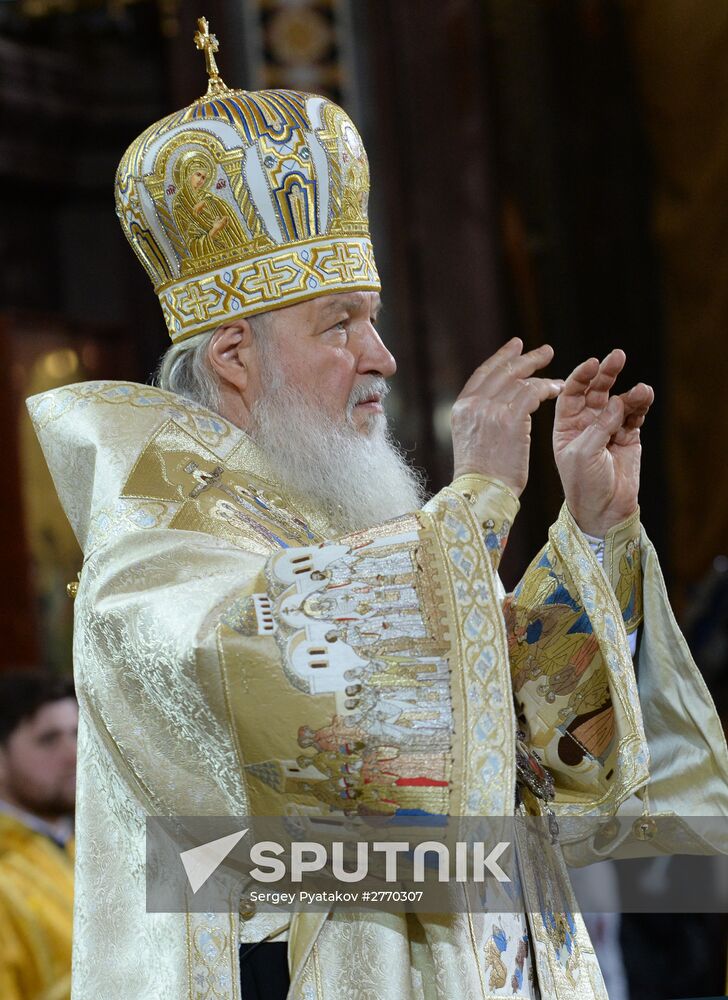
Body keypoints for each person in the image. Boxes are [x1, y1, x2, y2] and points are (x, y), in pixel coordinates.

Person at [27, 18, 728, 1000]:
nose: (382, 356)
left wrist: (590, 528)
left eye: (375, 316)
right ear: (234, 356)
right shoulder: (155, 560)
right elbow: (319, 746)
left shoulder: (352, 533)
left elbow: (537, 764)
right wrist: (476, 495)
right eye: (341, 324)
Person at [0, 670, 77, 1000]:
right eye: (49, 739)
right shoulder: (7, 874)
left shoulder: (106, 845)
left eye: (77, 734)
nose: (74, 754)